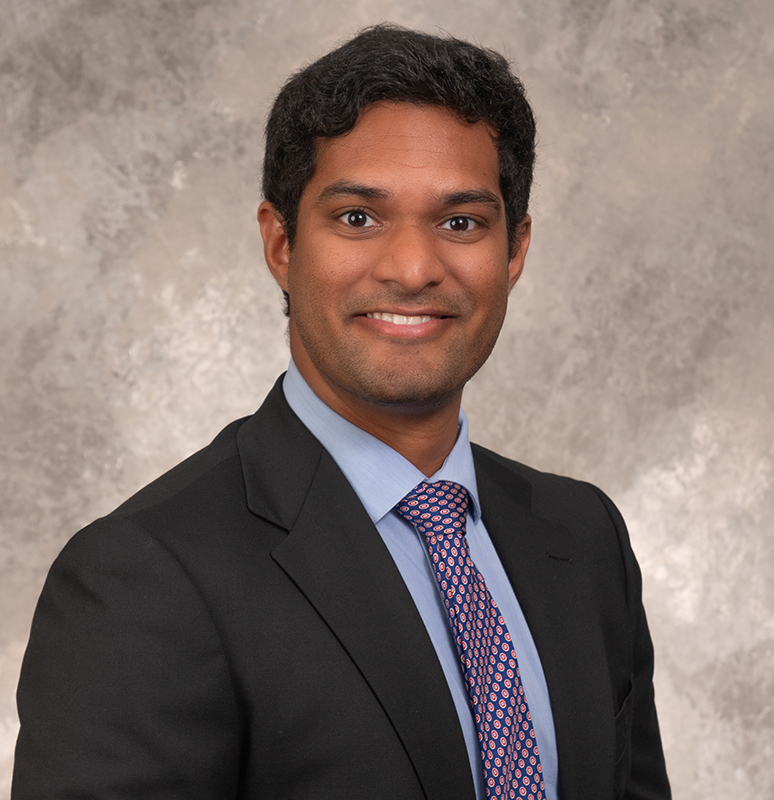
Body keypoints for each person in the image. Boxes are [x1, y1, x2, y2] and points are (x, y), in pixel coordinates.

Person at [12, 24, 671, 800]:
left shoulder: (584, 538)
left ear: (514, 249)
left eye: (461, 222)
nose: (414, 268)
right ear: (281, 243)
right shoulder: (144, 577)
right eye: (358, 217)